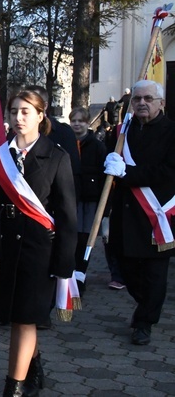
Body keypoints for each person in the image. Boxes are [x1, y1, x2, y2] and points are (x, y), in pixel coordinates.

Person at [0, 89, 77, 397]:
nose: (18, 118)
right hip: (5, 247)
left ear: (41, 116)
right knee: (18, 314)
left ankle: (13, 387)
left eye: (26, 112)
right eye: (13, 111)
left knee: (23, 320)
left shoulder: (57, 157)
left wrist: (65, 263)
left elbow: (68, 216)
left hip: (39, 250)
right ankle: (35, 367)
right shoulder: (1, 156)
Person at [104, 80, 175, 346]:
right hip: (126, 213)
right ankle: (145, 306)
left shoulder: (172, 131)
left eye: (148, 98)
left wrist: (128, 173)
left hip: (158, 216)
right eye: (137, 99)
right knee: (126, 269)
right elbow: (113, 160)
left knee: (155, 276)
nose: (142, 103)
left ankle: (145, 322)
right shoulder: (124, 130)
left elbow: (169, 173)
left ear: (162, 103)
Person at [68, 106, 108, 295]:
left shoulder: (97, 145)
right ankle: (69, 274)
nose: (77, 124)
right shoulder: (67, 143)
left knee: (85, 239)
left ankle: (80, 275)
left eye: (80, 121)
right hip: (71, 197)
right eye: (74, 120)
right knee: (72, 238)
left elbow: (103, 174)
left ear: (87, 123)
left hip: (89, 200)